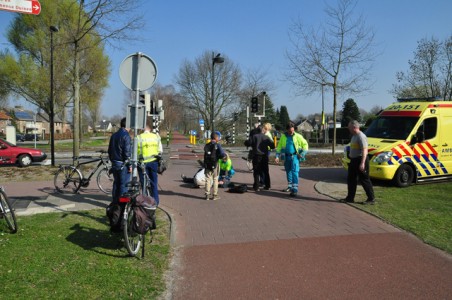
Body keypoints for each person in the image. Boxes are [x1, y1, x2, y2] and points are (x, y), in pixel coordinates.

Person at [107, 117, 131, 231]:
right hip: (122, 164)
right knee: (123, 186)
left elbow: (109, 150)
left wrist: (113, 161)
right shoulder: (126, 136)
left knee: (116, 185)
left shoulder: (114, 135)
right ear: (127, 125)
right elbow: (126, 152)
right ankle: (121, 210)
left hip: (114, 164)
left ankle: (114, 205)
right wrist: (129, 164)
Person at [343, 120, 375, 204]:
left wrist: (362, 163)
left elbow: (365, 150)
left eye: (349, 127)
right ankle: (350, 198)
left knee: (364, 179)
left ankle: (371, 199)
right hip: (353, 161)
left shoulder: (361, 136)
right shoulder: (354, 136)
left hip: (360, 160)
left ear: (354, 127)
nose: (348, 128)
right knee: (351, 179)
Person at [275, 122, 309, 197]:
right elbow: (279, 147)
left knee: (295, 172)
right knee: (288, 171)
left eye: (293, 130)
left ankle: (295, 189)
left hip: (295, 157)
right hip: (286, 157)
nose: (292, 132)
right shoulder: (283, 137)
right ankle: (290, 186)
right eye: (290, 131)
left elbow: (305, 145)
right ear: (287, 130)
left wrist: (303, 154)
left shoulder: (298, 136)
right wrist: (277, 156)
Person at [137, 123, 163, 206]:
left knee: (143, 183)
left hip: (142, 163)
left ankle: (144, 202)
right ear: (150, 129)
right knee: (154, 183)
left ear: (142, 129)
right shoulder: (156, 137)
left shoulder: (138, 137)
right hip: (153, 162)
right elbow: (160, 150)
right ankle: (155, 202)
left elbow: (135, 152)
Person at [249, 126, 275, 191]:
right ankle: (267, 185)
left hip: (256, 156)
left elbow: (248, 143)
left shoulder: (254, 137)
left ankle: (256, 186)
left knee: (256, 171)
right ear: (263, 131)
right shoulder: (266, 137)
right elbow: (273, 146)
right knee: (266, 171)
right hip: (264, 156)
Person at [204, 132, 225, 200]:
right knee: (215, 179)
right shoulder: (217, 145)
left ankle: (207, 194)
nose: (219, 138)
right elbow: (222, 154)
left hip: (207, 164)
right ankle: (214, 195)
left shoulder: (207, 145)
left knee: (208, 179)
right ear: (216, 138)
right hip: (215, 164)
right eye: (218, 137)